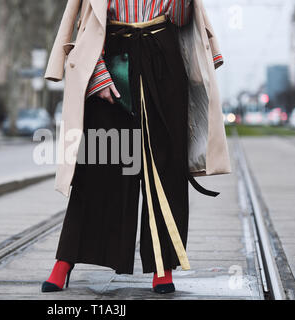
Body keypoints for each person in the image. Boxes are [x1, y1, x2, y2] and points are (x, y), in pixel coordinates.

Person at [42, 0, 228, 295]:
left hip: (164, 62)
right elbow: (85, 19)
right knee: (97, 166)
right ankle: (64, 263)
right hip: (113, 58)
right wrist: (98, 75)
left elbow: (180, 19)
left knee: (167, 168)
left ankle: (163, 266)